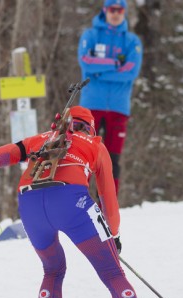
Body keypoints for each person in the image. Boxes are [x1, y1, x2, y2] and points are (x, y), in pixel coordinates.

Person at [0, 105, 176, 298]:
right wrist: (112, 235)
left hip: (30, 204)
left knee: (53, 270)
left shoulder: (39, 140)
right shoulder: (94, 144)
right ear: (89, 127)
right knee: (112, 272)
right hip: (71, 202)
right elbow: (108, 198)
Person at [78, 0, 142, 195]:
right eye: (112, 9)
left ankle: (108, 205)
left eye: (119, 10)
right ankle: (80, 199)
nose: (115, 14)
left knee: (112, 159)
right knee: (85, 156)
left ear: (124, 12)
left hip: (118, 108)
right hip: (91, 106)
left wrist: (101, 71)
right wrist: (115, 63)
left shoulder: (132, 41)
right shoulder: (90, 35)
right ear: (105, 11)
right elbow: (86, 63)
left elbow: (130, 72)